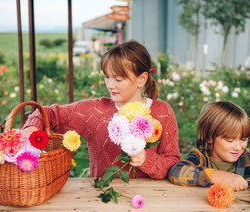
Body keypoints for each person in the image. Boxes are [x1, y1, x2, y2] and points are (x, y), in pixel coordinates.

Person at [22, 40, 181, 179]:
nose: (110, 85)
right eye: (107, 77)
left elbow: (173, 162)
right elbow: (49, 113)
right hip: (101, 201)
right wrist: (31, 127)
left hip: (150, 202)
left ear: (142, 79)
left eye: (118, 79)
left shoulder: (163, 112)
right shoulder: (95, 111)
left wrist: (147, 160)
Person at [168, 101, 250, 191]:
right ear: (209, 138)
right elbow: (175, 172)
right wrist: (223, 177)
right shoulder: (200, 158)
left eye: (243, 139)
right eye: (230, 140)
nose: (238, 147)